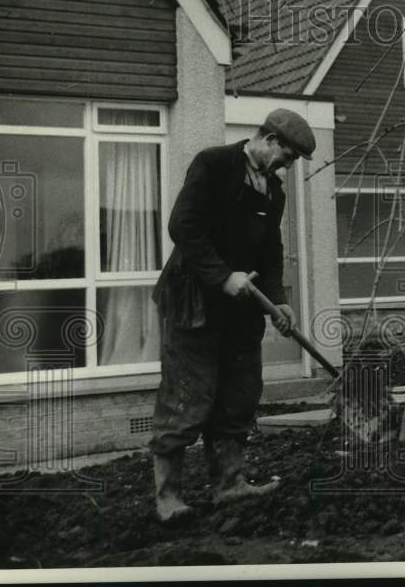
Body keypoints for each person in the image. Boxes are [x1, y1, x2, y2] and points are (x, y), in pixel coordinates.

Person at [148, 108, 316, 522]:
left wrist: (279, 300)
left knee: (240, 395)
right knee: (189, 396)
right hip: (195, 303)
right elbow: (183, 227)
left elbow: (270, 253)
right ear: (270, 140)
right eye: (289, 157)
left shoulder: (273, 191)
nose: (288, 166)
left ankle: (229, 485)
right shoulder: (214, 163)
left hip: (241, 311)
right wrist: (222, 276)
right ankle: (169, 498)